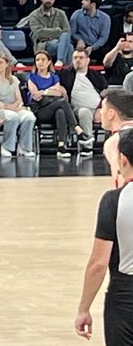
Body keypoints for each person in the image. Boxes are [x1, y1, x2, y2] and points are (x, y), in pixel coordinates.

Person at [75, 129, 133, 345]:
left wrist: (84, 308)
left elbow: (98, 264)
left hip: (126, 296)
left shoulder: (113, 201)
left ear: (123, 160)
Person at [26, 49, 82, 159]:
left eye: (43, 60)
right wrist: (50, 91)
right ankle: (77, 129)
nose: (40, 62)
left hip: (53, 107)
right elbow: (36, 96)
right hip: (39, 110)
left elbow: (61, 93)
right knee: (61, 102)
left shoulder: (54, 76)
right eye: (37, 60)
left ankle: (61, 146)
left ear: (48, 62)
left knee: (60, 111)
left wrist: (44, 92)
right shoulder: (32, 77)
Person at [0, 51, 36, 157]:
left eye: (0, 62)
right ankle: (6, 146)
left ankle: (24, 148)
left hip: (13, 108)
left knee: (29, 117)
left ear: (7, 64)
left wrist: (16, 107)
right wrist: (7, 107)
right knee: (12, 117)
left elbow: (19, 99)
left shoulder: (14, 79)